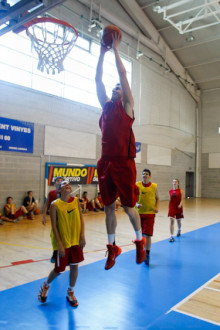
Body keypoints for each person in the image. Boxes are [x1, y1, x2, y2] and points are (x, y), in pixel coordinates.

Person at [95, 32, 146, 270]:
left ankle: (139, 240)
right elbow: (97, 80)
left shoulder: (127, 106)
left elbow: (123, 75)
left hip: (124, 163)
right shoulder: (105, 106)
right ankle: (112, 248)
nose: (116, 88)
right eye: (114, 88)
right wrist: (101, 53)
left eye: (119, 88)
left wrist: (115, 49)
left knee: (127, 207)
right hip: (105, 162)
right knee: (107, 208)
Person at [38, 180, 86, 307]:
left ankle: (70, 291)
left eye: (68, 183)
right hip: (63, 242)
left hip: (75, 240)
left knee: (75, 266)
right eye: (64, 184)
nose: (67, 185)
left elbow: (81, 219)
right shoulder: (55, 205)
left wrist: (82, 235)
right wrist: (59, 244)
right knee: (59, 270)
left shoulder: (76, 201)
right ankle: (46, 285)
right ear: (59, 190)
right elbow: (54, 226)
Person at [136, 169, 159, 265]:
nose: (145, 175)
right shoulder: (137, 185)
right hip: (139, 213)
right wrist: (136, 204)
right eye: (143, 174)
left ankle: (147, 254)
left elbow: (157, 198)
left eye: (146, 174)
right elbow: (133, 198)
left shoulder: (154, 186)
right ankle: (141, 251)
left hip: (150, 213)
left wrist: (156, 207)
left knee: (147, 235)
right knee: (140, 235)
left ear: (149, 176)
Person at [42, 176, 64, 263]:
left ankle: (64, 253)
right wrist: (44, 216)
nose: (59, 182)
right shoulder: (51, 193)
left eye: (61, 181)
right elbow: (46, 204)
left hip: (64, 218)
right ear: (55, 183)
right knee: (54, 236)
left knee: (64, 236)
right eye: (58, 181)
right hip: (55, 219)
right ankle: (55, 254)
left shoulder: (66, 193)